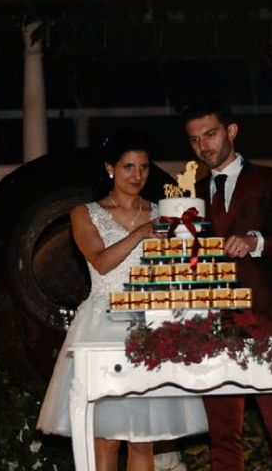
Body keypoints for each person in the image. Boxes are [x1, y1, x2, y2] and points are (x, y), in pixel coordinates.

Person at [36, 128, 207, 471]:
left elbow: (179, 266)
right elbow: (99, 261)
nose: (138, 175)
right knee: (106, 437)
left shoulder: (164, 211)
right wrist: (141, 233)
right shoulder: (85, 213)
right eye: (129, 167)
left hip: (150, 325)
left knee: (143, 437)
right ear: (111, 168)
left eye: (143, 167)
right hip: (103, 325)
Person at [182, 98, 272, 471]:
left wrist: (258, 242)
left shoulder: (270, 180)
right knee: (223, 440)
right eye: (194, 140)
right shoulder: (191, 194)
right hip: (213, 327)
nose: (203, 146)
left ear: (231, 131)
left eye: (210, 134)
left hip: (266, 320)